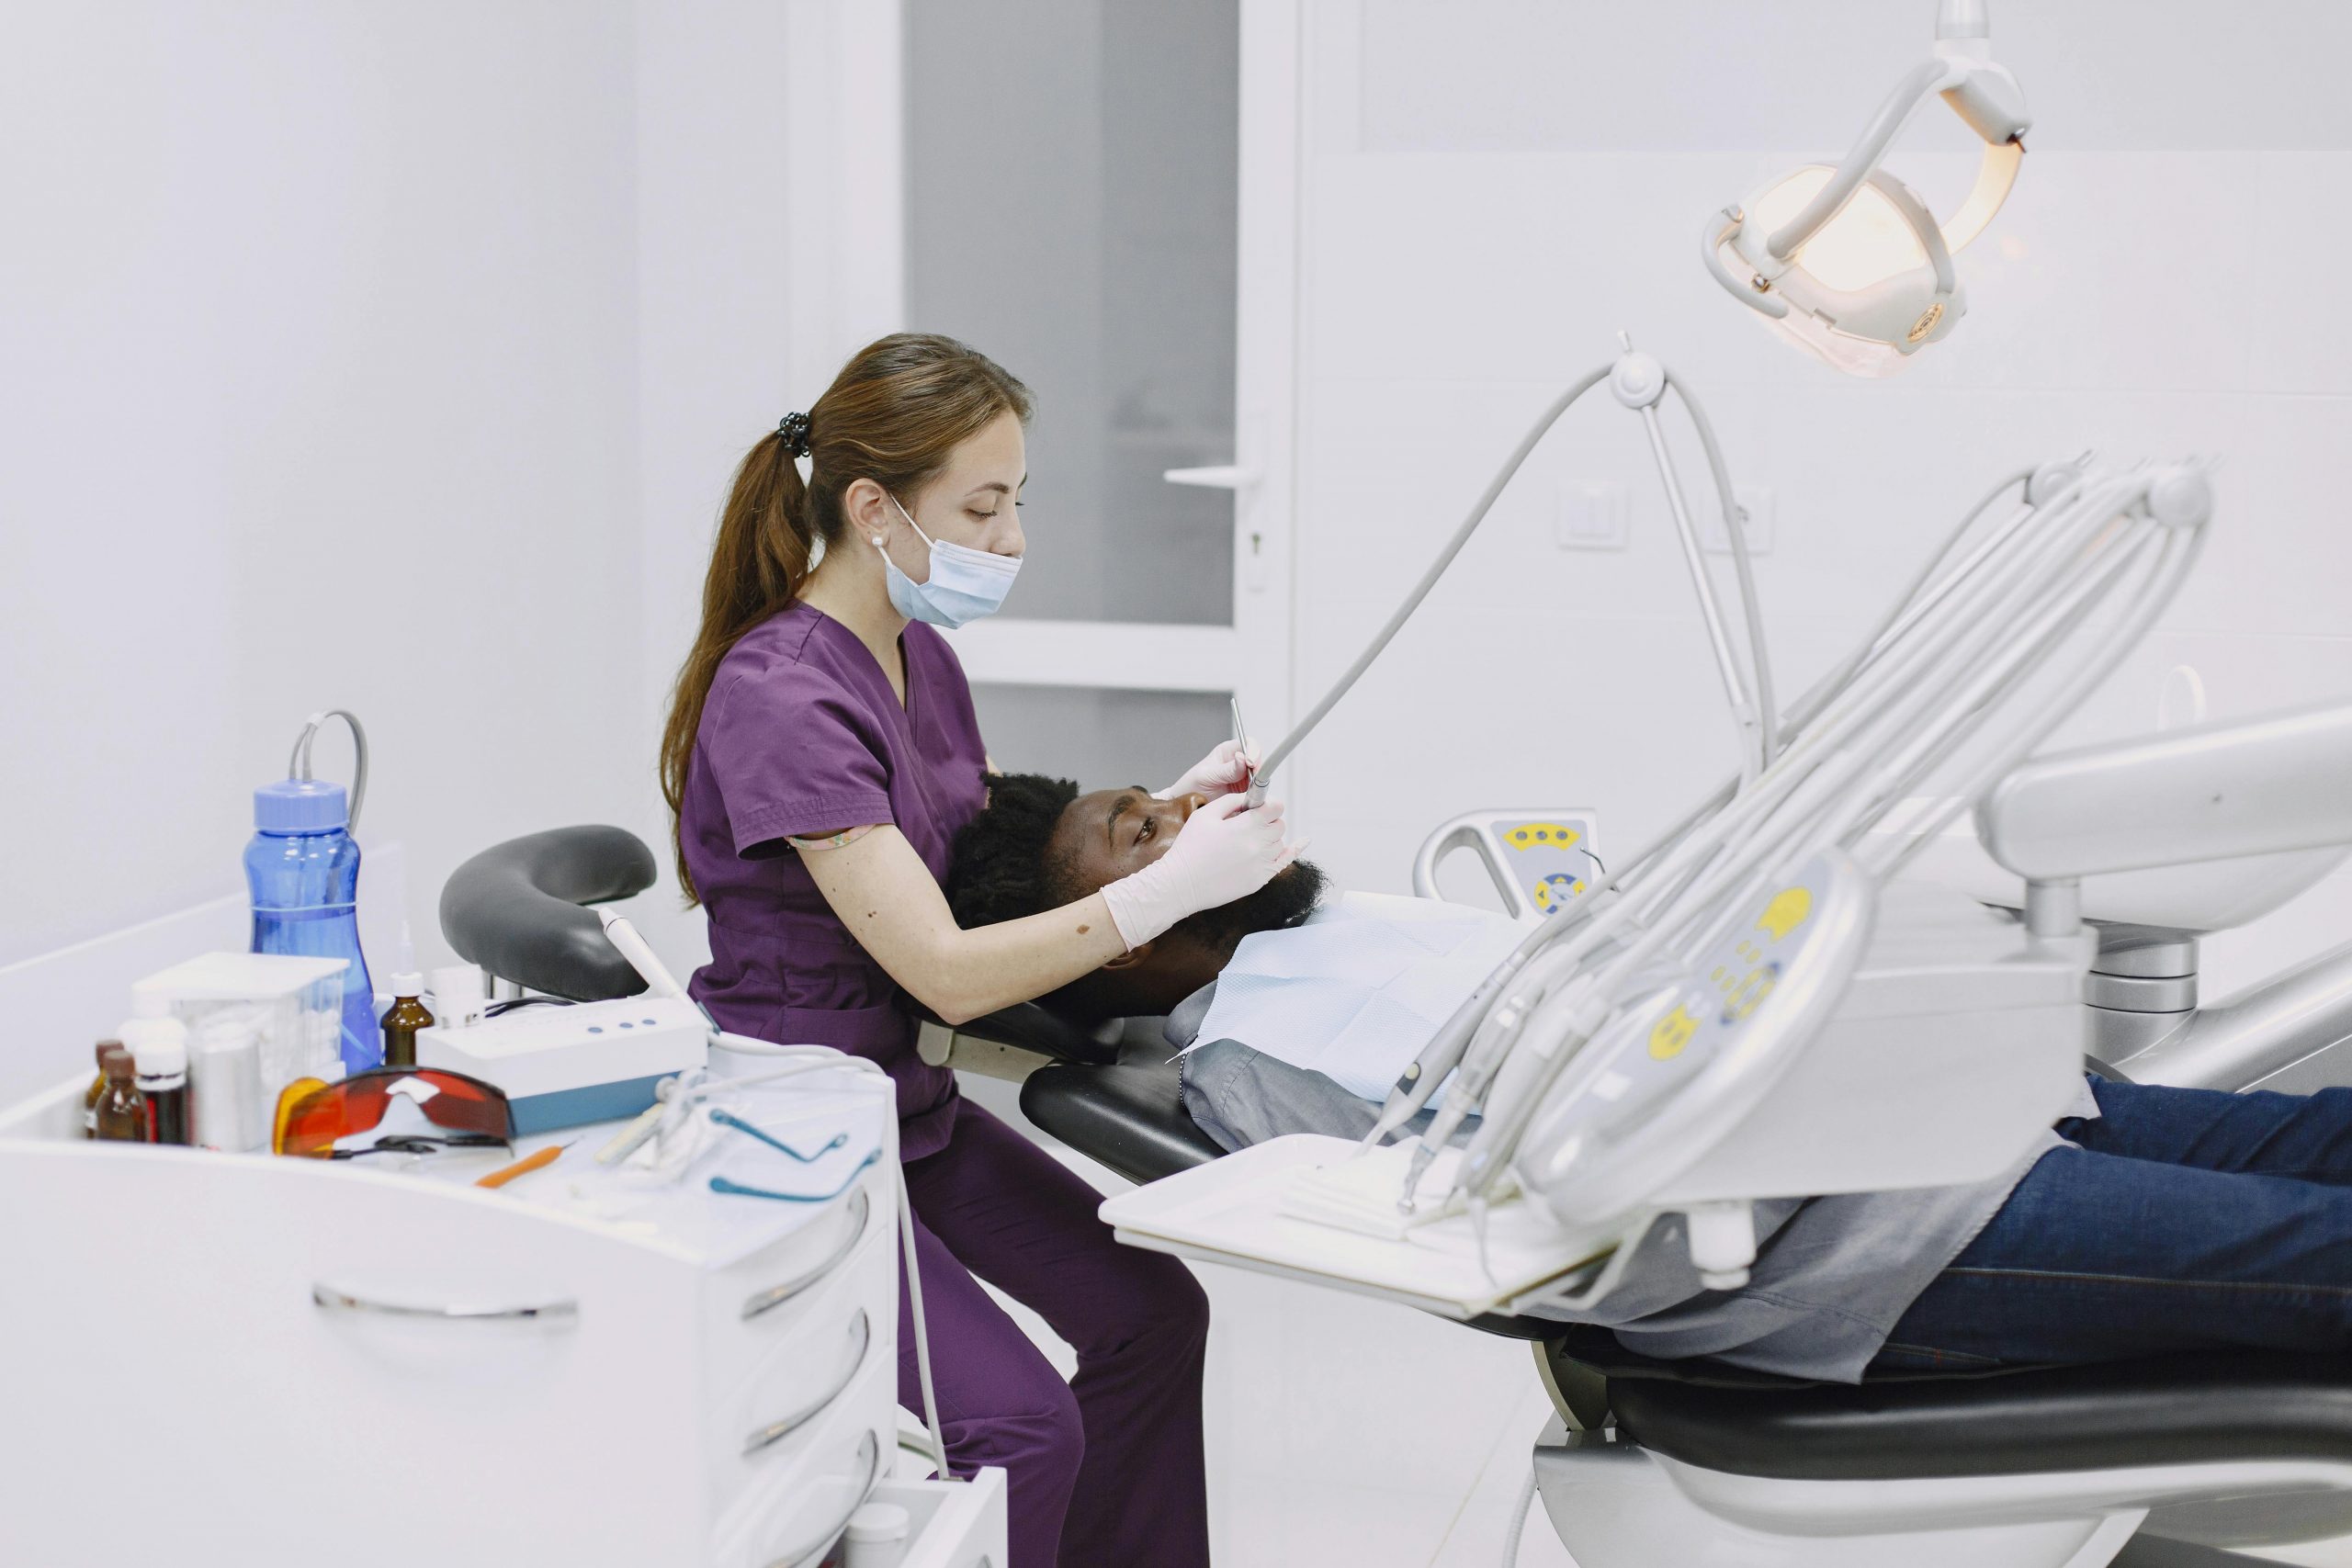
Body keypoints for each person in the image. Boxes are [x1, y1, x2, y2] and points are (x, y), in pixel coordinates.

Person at [948, 770, 2352, 1383]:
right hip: (1865, 1227)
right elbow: (1507, 1228)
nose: (1196, 815)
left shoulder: (1321, 918)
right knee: (2316, 1255)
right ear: (1111, 946)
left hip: (1915, 1092)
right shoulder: (1251, 1063)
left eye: (1165, 795)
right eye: (1149, 832)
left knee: (2307, 1141)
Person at [661, 334, 1299, 1568]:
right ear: (873, 508)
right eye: (983, 506)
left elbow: (971, 846)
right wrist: (1162, 894)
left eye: (1018, 502)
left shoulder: (918, 656)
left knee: (1150, 1313)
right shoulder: (781, 697)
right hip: (806, 1147)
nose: (1010, 540)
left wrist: (1161, 818)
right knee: (1020, 1426)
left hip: (911, 1112)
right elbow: (946, 967)